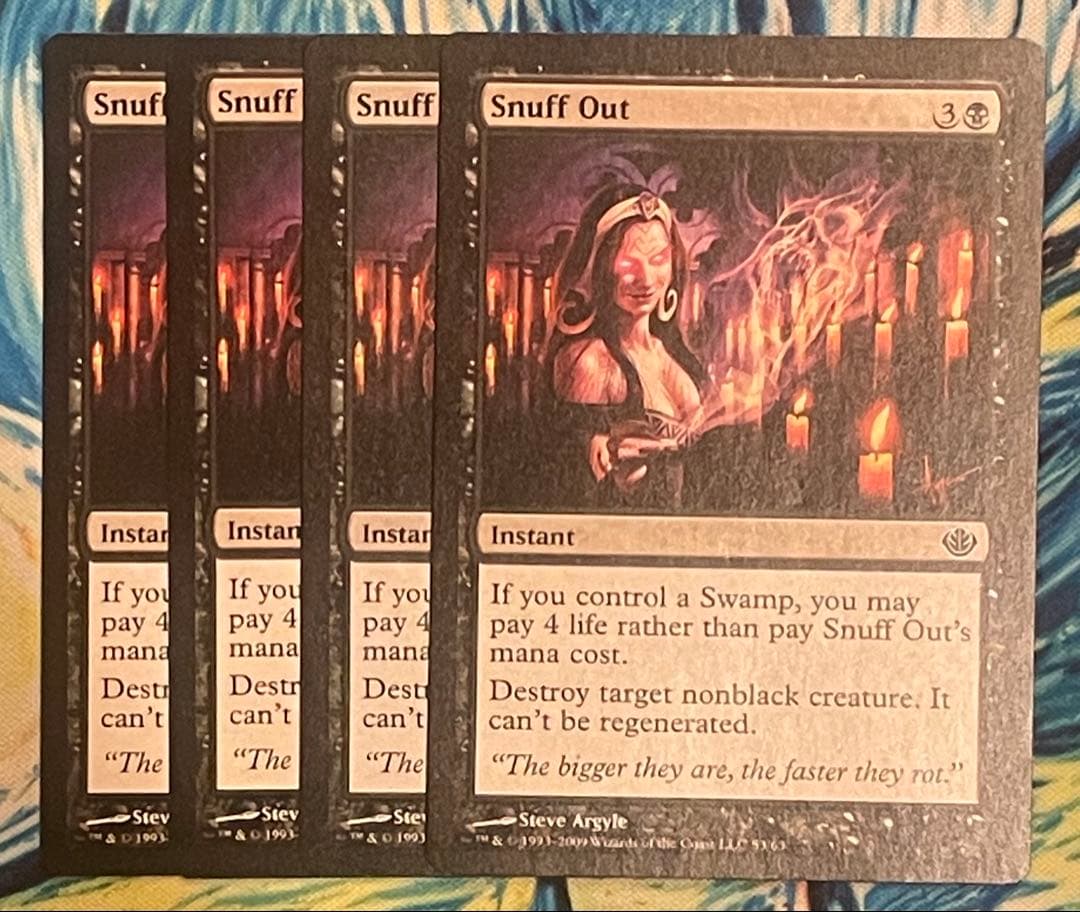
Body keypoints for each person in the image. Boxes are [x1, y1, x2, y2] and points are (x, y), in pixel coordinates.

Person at [545, 184, 707, 506]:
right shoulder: (590, 363)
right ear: (600, 267)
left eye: (658, 259)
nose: (646, 279)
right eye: (629, 264)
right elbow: (579, 493)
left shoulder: (674, 355)